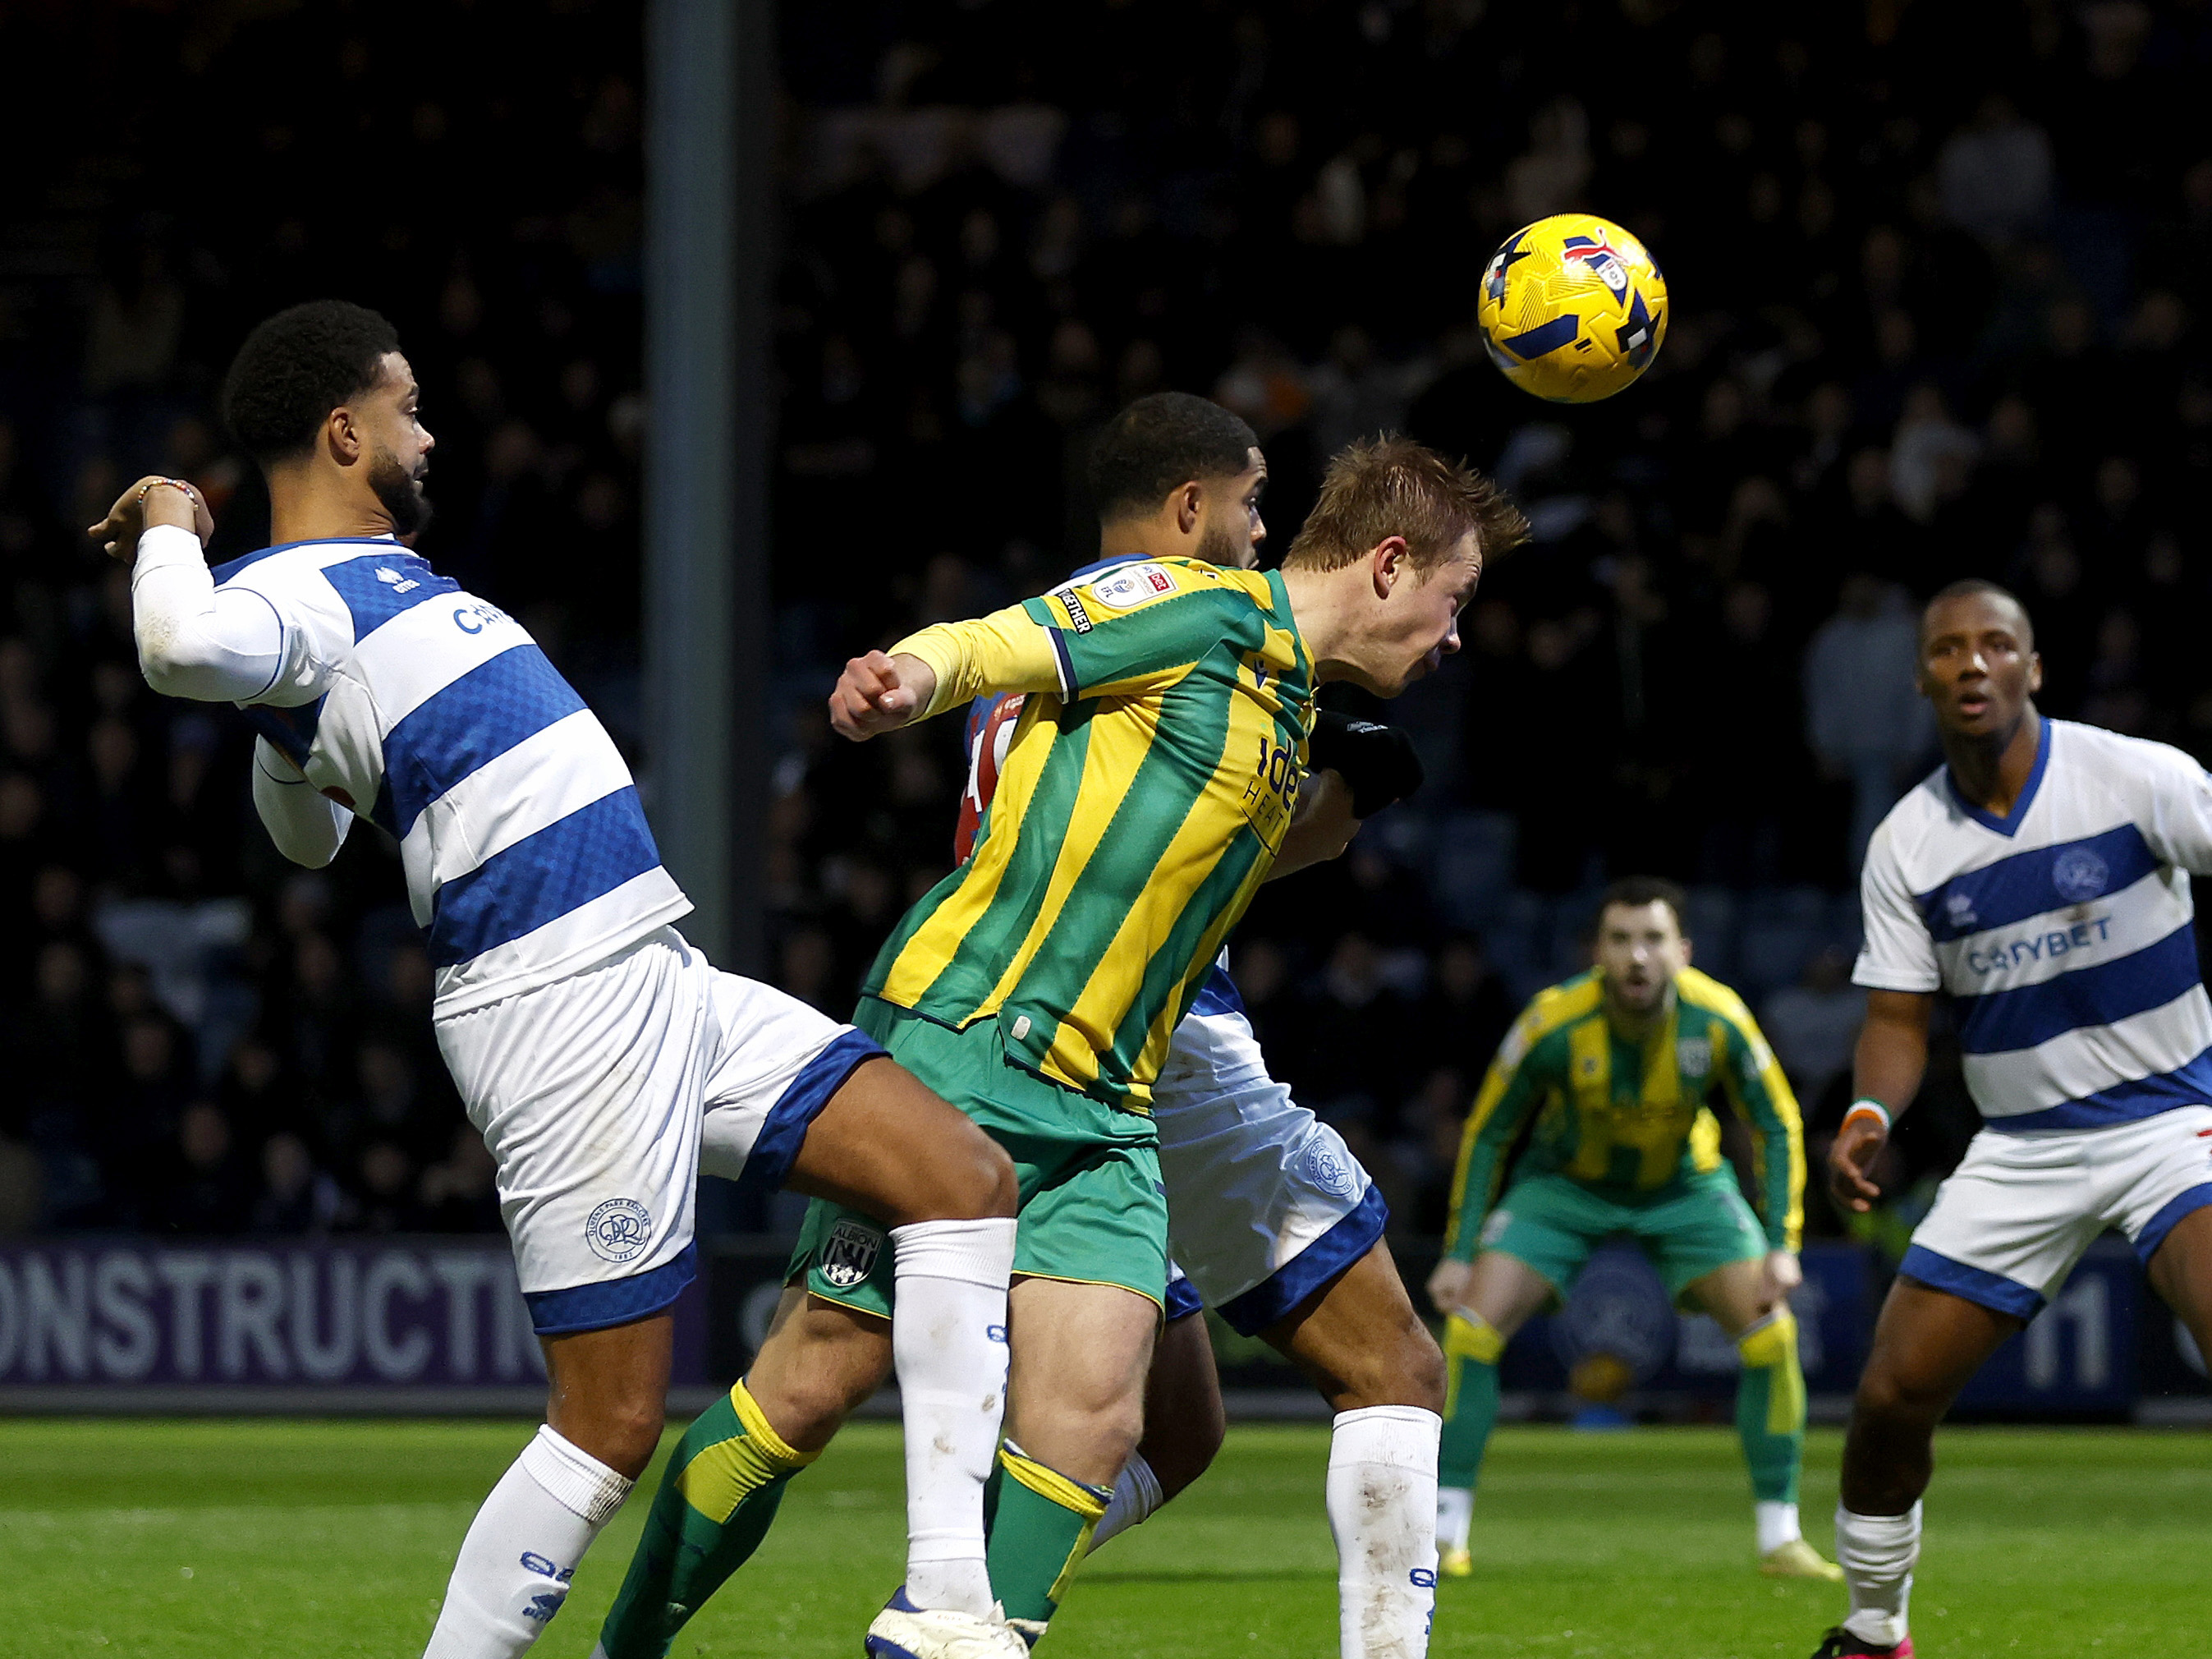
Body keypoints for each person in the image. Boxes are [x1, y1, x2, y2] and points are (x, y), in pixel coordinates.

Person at [93, 300, 1029, 1659]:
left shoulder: (369, 591)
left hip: (653, 972)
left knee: (960, 1181)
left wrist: (286, 730)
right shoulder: (287, 590)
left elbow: (304, 835)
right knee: (609, 1425)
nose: (430, 428)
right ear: (343, 430)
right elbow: (179, 647)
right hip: (553, 1002)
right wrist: (178, 521)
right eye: (407, 406)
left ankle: (946, 1600)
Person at [593, 427, 1521, 1659]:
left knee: (1100, 1424)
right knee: (808, 1387)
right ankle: (625, 1651)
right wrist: (904, 682)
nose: (1457, 634)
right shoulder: (1198, 611)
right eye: (1455, 599)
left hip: (1111, 1106)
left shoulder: (1286, 690)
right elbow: (997, 642)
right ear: (1393, 565)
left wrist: (1334, 803)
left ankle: (945, 1639)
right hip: (966, 1050)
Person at [949, 396, 1461, 1650]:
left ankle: (956, 1603)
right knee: (1392, 1369)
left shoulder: (1083, 632)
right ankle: (956, 1610)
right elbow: (1164, 863)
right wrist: (1325, 808)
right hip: (1150, 1040)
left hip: (1007, 1015)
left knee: (1176, 1432)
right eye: (1248, 509)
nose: (1260, 534)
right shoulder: (1192, 632)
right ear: (1192, 512)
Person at [1809, 580, 2212, 1659]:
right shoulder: (1906, 843)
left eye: (1995, 646)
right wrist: (1866, 1108)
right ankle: (1870, 1631)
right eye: (1947, 650)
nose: (1971, 664)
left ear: (2032, 668)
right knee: (1890, 1396)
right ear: (1922, 680)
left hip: (2168, 1122)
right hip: (2022, 1151)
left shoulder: (2135, 778)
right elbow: (1897, 1018)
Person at [1427, 876, 1837, 1583]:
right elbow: (1490, 1132)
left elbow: (1775, 1123)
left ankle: (1781, 1540)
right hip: (1564, 1190)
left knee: (1772, 1334)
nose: (1637, 957)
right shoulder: (1550, 1024)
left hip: (1685, 1188)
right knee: (1468, 1328)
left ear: (1683, 950)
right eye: (1620, 941)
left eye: (1653, 940)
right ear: (1597, 952)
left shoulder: (1721, 1020)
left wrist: (1782, 1244)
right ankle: (1442, 1536)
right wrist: (1458, 1253)